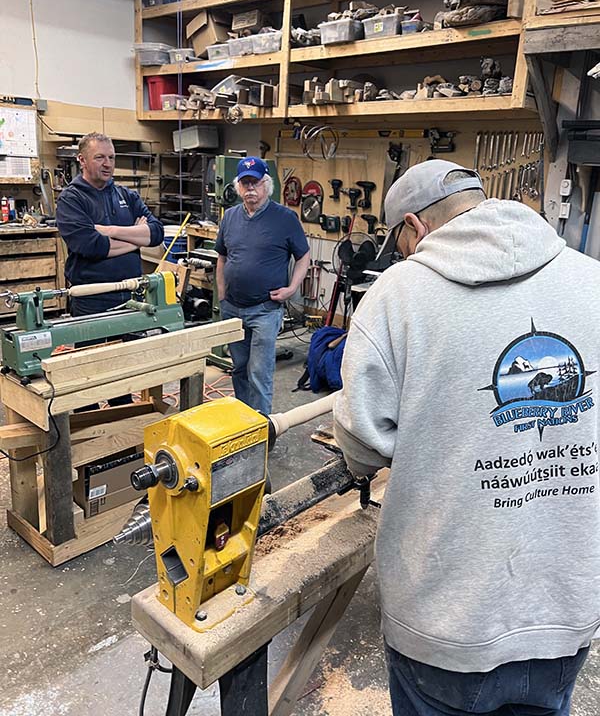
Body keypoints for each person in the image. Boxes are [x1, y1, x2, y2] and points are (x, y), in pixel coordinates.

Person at [333, 159, 600, 716]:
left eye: (400, 244)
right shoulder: (591, 280)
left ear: (414, 226)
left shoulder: (396, 295)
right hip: (563, 609)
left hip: (446, 618)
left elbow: (361, 443)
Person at [216, 156, 310, 415]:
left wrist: (292, 288)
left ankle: (261, 427)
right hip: (232, 308)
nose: (250, 189)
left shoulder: (285, 218)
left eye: (255, 183)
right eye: (245, 183)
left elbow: (303, 256)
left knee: (259, 372)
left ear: (266, 185)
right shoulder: (230, 217)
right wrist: (222, 294)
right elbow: (222, 257)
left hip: (265, 310)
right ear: (238, 187)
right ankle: (243, 420)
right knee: (239, 368)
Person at [56, 131, 164, 316]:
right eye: (100, 157)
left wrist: (111, 231)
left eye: (111, 157)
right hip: (92, 299)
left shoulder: (127, 195)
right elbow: (93, 245)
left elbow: (156, 233)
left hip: (133, 293)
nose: (107, 164)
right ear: (82, 160)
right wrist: (137, 237)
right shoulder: (71, 199)